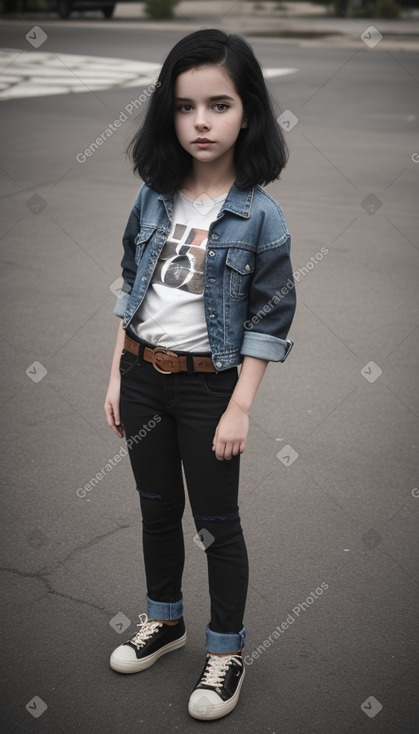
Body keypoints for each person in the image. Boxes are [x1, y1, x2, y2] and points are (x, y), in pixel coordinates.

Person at [104, 28, 296, 721]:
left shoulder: (259, 216)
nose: (201, 122)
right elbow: (132, 286)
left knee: (215, 523)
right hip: (142, 373)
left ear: (247, 111)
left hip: (210, 386)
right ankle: (165, 619)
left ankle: (225, 649)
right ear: (168, 113)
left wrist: (240, 405)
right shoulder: (154, 196)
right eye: (185, 107)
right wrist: (117, 374)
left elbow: (269, 320)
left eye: (218, 104)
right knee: (157, 510)